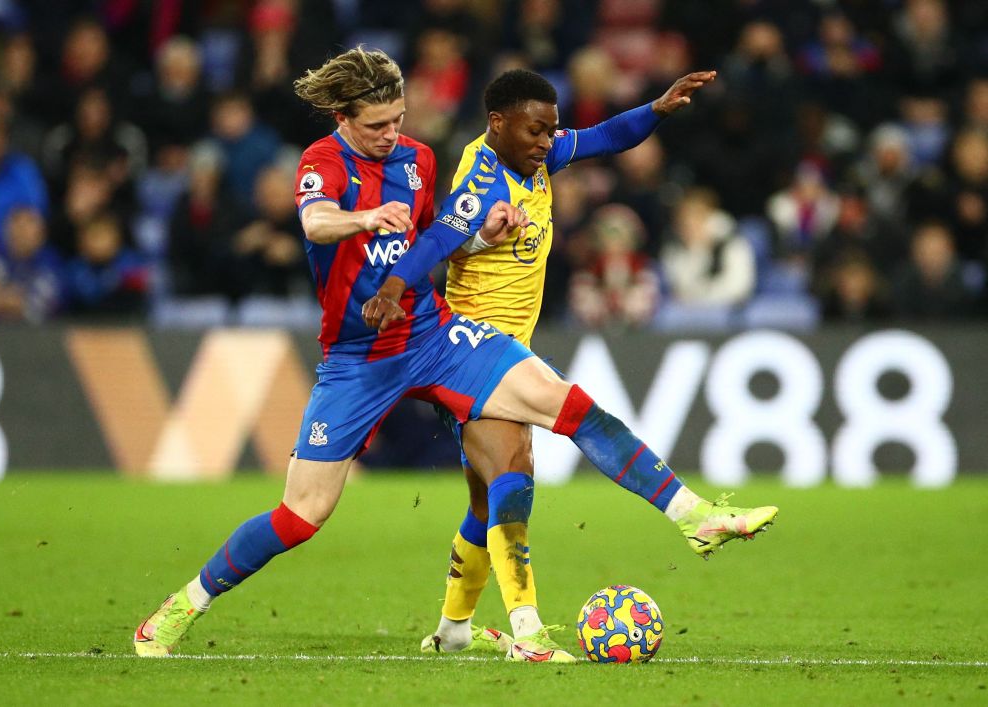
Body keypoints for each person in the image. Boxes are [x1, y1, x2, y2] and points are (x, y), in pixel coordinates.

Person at [134, 48, 777, 661]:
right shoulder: (323, 163)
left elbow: (438, 237)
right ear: (344, 119)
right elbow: (314, 223)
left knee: (567, 405)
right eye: (378, 124)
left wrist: (472, 243)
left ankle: (691, 515)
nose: (393, 134)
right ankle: (180, 607)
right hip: (358, 359)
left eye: (400, 119)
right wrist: (361, 222)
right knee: (302, 515)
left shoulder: (417, 160)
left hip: (432, 334)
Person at [364, 68, 777, 661]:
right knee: (548, 443)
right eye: (535, 131)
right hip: (471, 351)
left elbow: (608, 136)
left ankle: (454, 630)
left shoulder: (534, 156)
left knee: (491, 495)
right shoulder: (482, 182)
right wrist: (396, 285)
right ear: (498, 125)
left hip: (506, 347)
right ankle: (681, 523)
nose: (546, 142)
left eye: (551, 131)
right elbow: (432, 241)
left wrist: (657, 108)